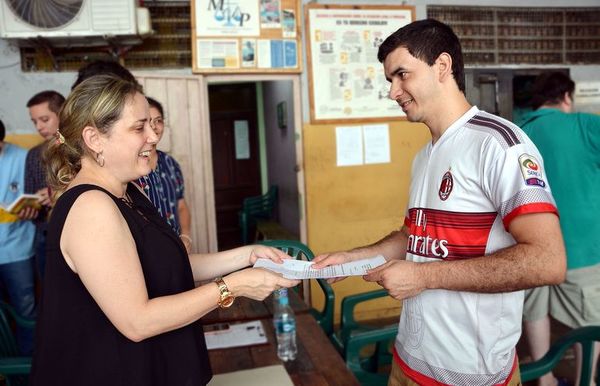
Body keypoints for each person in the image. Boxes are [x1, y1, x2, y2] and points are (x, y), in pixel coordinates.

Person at [312, 19, 566, 385]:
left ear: (442, 66)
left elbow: (547, 261)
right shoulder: (424, 155)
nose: (393, 92)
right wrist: (354, 259)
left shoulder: (500, 144)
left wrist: (422, 277)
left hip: (471, 376)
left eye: (402, 75)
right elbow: (412, 236)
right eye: (389, 80)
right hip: (408, 363)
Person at [30, 74, 299, 386]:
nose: (154, 136)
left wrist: (247, 255)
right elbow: (137, 320)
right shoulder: (91, 207)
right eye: (139, 127)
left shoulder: (129, 192)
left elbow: (168, 265)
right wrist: (233, 286)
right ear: (94, 139)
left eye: (153, 124)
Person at [518, 71, 600, 386]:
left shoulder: (519, 130)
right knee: (588, 321)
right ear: (566, 97)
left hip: (529, 245)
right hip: (580, 247)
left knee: (534, 310)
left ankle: (545, 377)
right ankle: (586, 380)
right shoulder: (583, 125)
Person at [135, 97, 193, 251]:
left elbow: (181, 205)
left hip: (176, 247)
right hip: (148, 252)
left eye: (158, 121)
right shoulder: (132, 167)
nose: (154, 127)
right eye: (148, 122)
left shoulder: (171, 164)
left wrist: (185, 236)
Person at [0, 119, 37, 355]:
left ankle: (29, 369)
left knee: (26, 312)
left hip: (17, 249)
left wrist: (33, 208)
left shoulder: (24, 158)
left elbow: (35, 197)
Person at [25, 90, 65, 276]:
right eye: (35, 122)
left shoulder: (82, 149)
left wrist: (56, 194)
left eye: (44, 119)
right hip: (45, 236)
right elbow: (30, 194)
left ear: (62, 114)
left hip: (76, 232)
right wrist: (29, 208)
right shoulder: (33, 155)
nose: (39, 127)